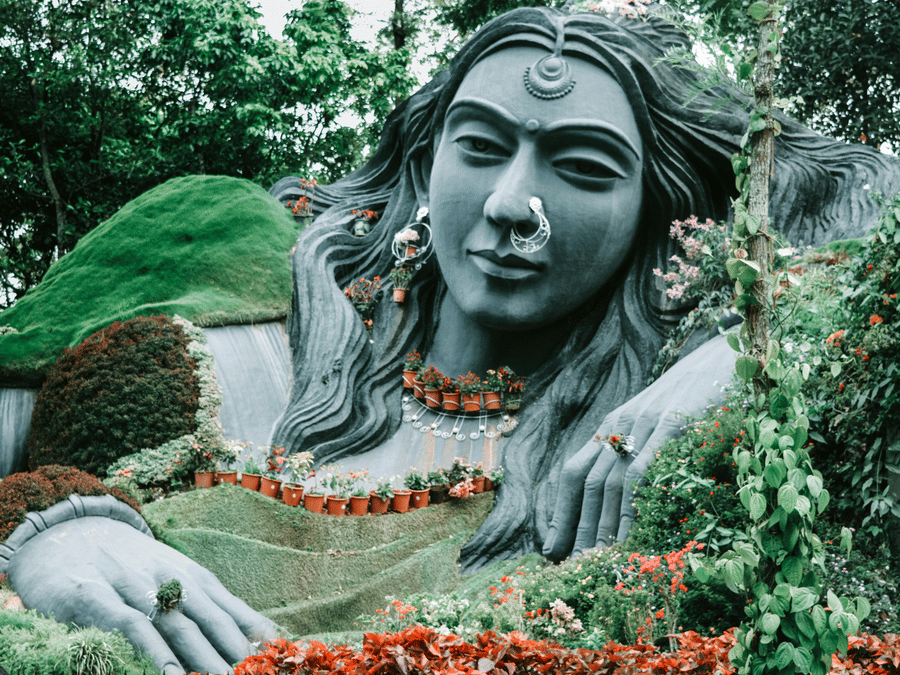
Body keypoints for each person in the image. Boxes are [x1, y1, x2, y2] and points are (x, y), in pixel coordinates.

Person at [4, 5, 899, 674]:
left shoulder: (653, 430)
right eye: (479, 146)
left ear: (656, 211)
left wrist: (749, 341)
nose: (514, 203)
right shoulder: (250, 329)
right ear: (426, 159)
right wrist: (47, 530)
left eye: (583, 168)